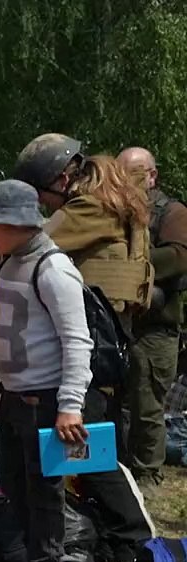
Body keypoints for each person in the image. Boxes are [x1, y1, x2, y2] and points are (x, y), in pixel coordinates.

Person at [14, 137, 156, 562]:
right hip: (111, 343)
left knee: (87, 453)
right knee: (94, 450)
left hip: (91, 347)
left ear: (60, 179)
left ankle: (135, 544)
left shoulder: (88, 206)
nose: (43, 204)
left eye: (41, 194)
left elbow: (30, 240)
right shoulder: (117, 199)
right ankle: (116, 540)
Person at [0, 179, 92, 562]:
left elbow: (77, 341)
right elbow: (4, 329)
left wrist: (70, 405)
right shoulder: (9, 264)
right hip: (13, 399)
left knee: (44, 495)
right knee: (14, 483)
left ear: (16, 223)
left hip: (45, 403)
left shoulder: (53, 269)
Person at [117, 147, 187, 485]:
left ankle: (147, 475)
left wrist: (127, 263)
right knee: (117, 404)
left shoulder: (171, 212)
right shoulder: (115, 212)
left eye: (132, 175)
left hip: (155, 328)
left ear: (152, 176)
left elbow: (178, 258)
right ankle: (119, 472)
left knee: (147, 407)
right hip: (120, 325)